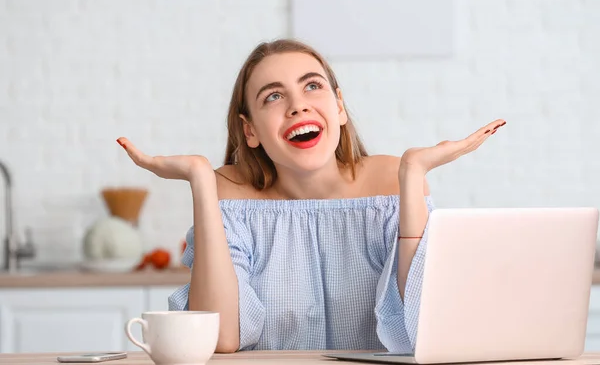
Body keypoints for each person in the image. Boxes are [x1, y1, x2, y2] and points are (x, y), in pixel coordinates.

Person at [116, 38, 505, 354]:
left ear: (338, 107)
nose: (297, 104)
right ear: (249, 130)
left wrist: (413, 174)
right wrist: (201, 179)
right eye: (273, 96)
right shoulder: (230, 197)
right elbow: (221, 339)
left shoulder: (394, 183)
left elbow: (423, 328)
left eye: (312, 86)